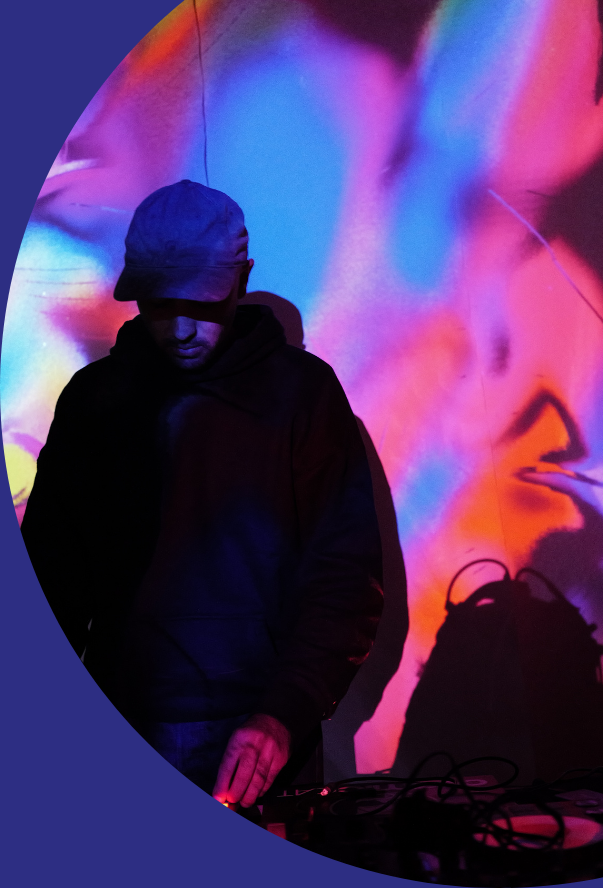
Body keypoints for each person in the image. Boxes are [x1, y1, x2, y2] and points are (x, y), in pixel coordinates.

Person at [22, 179, 384, 804]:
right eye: (160, 305)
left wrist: (283, 713)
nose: (181, 329)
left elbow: (344, 577)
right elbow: (52, 579)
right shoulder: (94, 402)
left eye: (202, 304)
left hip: (265, 737)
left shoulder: (303, 394)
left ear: (241, 281)